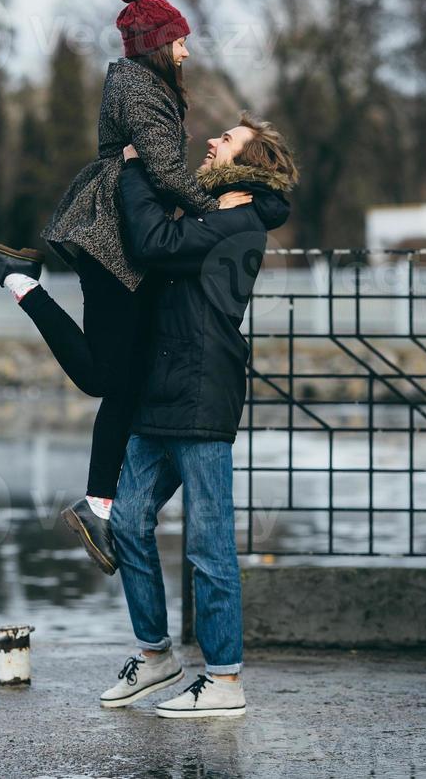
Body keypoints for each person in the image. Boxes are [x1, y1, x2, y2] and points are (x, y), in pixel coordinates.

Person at [0, 0, 248, 575]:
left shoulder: (141, 84)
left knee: (125, 379)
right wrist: (215, 214)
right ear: (159, 44)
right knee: (106, 379)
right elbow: (167, 173)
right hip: (115, 241)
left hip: (118, 238)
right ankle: (22, 284)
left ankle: (99, 502)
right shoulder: (143, 89)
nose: (188, 52)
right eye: (180, 40)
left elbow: (159, 168)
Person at [99, 113, 297, 719]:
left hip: (202, 396)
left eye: (227, 140)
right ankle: (156, 653)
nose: (211, 141)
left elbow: (154, 244)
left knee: (209, 545)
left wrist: (135, 167)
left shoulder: (237, 223)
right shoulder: (214, 212)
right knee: (127, 521)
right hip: (159, 395)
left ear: (250, 162)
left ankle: (225, 679)